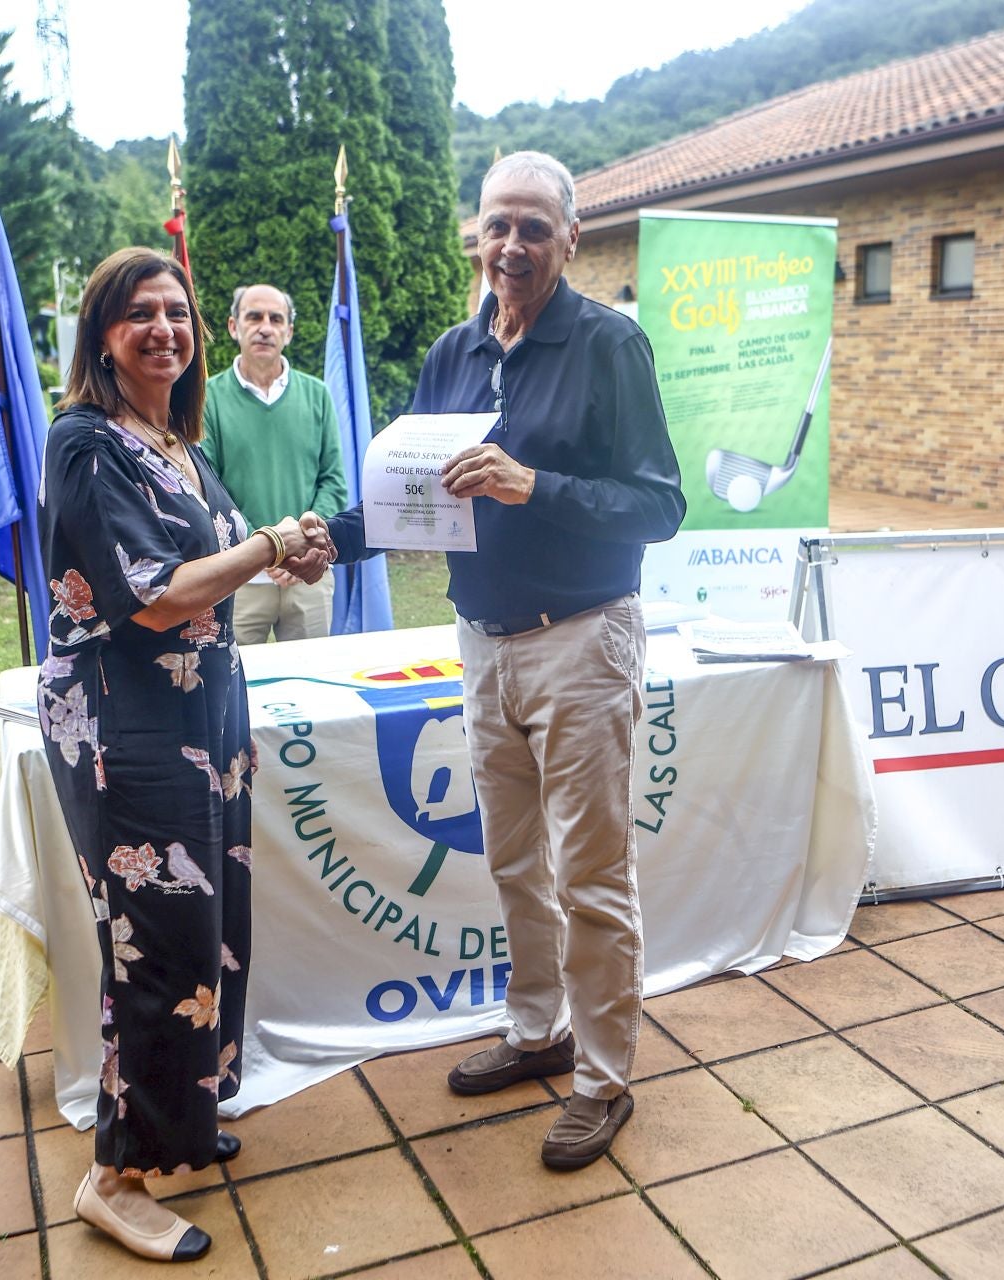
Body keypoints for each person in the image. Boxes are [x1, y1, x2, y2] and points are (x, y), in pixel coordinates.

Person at [311, 151, 685, 1170]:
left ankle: (604, 1078)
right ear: (474, 237)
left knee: (594, 875)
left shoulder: (609, 344)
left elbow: (661, 506)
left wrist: (536, 484)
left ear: (572, 238)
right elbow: (408, 499)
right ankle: (537, 1030)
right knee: (515, 860)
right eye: (496, 227)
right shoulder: (453, 352)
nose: (511, 246)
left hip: (583, 642)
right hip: (482, 644)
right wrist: (327, 539)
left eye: (532, 227)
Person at [36, 247, 326, 1262]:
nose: (164, 327)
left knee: (206, 929)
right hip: (125, 727)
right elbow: (154, 593)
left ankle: (181, 1121)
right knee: (153, 942)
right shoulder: (83, 444)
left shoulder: (175, 440)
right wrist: (272, 547)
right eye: (138, 314)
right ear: (101, 334)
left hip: (199, 721)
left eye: (176, 311)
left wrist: (291, 544)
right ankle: (113, 1176)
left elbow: (229, 550)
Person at [202, 283, 349, 644]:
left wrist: (305, 545)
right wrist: (268, 550)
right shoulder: (208, 399)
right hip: (238, 577)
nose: (265, 327)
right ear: (234, 327)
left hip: (308, 574)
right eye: (254, 317)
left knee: (312, 688)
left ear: (289, 332)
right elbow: (207, 487)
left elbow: (333, 481)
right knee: (238, 689)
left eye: (275, 318)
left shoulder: (318, 395)